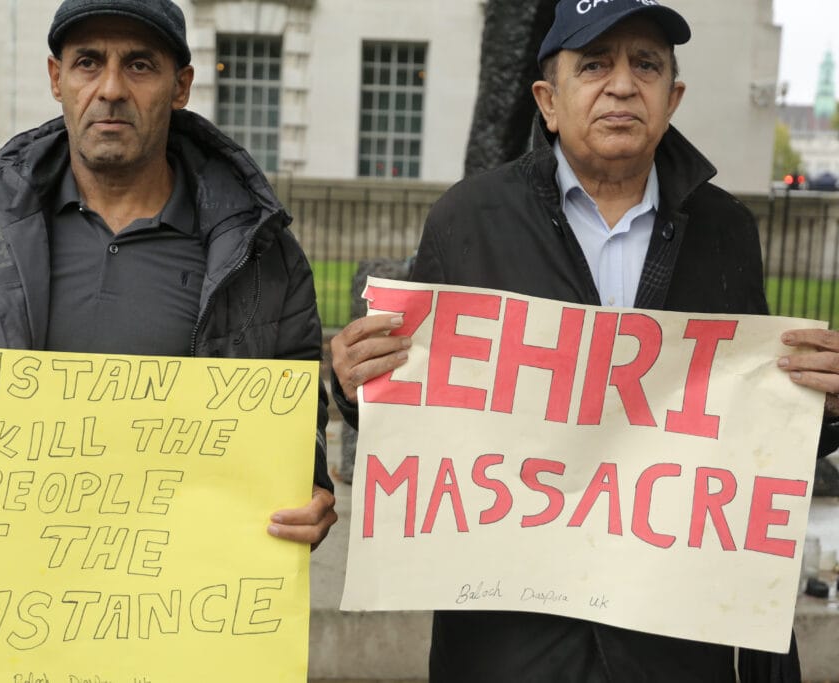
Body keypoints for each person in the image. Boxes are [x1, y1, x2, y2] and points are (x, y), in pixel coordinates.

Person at [331, 1, 839, 681]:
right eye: (595, 63)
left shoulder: (726, 232)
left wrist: (822, 408)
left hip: (670, 641)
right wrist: (359, 386)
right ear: (548, 100)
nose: (623, 84)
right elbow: (426, 420)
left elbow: (750, 426)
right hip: (508, 642)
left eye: (646, 64)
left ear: (672, 96)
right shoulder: (468, 220)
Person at [0, 0, 336, 548]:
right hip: (5, 588)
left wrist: (313, 490)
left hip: (183, 601)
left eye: (139, 65)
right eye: (88, 62)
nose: (110, 88)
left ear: (180, 86)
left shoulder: (260, 250)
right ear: (55, 77)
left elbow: (297, 422)